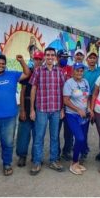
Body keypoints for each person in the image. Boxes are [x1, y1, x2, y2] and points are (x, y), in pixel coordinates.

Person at [29, 47, 65, 175]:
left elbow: (62, 91)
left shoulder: (59, 72)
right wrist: (32, 109)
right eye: (48, 55)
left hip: (55, 110)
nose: (50, 57)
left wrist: (62, 109)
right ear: (44, 56)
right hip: (41, 109)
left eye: (52, 55)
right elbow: (33, 89)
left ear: (55, 57)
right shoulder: (38, 71)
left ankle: (53, 160)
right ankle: (37, 162)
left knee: (55, 137)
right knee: (39, 137)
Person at [16, 50, 44, 167]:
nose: (37, 61)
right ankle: (22, 156)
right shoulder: (28, 73)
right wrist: (22, 110)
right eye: (35, 59)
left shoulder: (45, 74)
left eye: (39, 59)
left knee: (38, 134)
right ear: (33, 60)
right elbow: (22, 92)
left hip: (41, 108)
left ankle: (36, 156)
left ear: (43, 61)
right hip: (27, 107)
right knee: (23, 134)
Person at [63, 62, 90, 175]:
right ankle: (74, 163)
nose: (79, 72)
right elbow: (66, 100)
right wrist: (78, 110)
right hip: (72, 115)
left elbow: (87, 96)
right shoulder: (69, 83)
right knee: (79, 138)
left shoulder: (85, 81)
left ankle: (77, 161)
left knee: (82, 139)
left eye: (81, 70)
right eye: (77, 70)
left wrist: (89, 108)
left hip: (84, 115)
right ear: (72, 71)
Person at [56, 49, 73, 161]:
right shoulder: (53, 70)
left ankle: (67, 151)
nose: (65, 59)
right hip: (56, 105)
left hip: (69, 106)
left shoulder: (71, 69)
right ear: (57, 57)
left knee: (69, 131)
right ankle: (55, 152)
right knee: (55, 131)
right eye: (63, 57)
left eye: (66, 58)